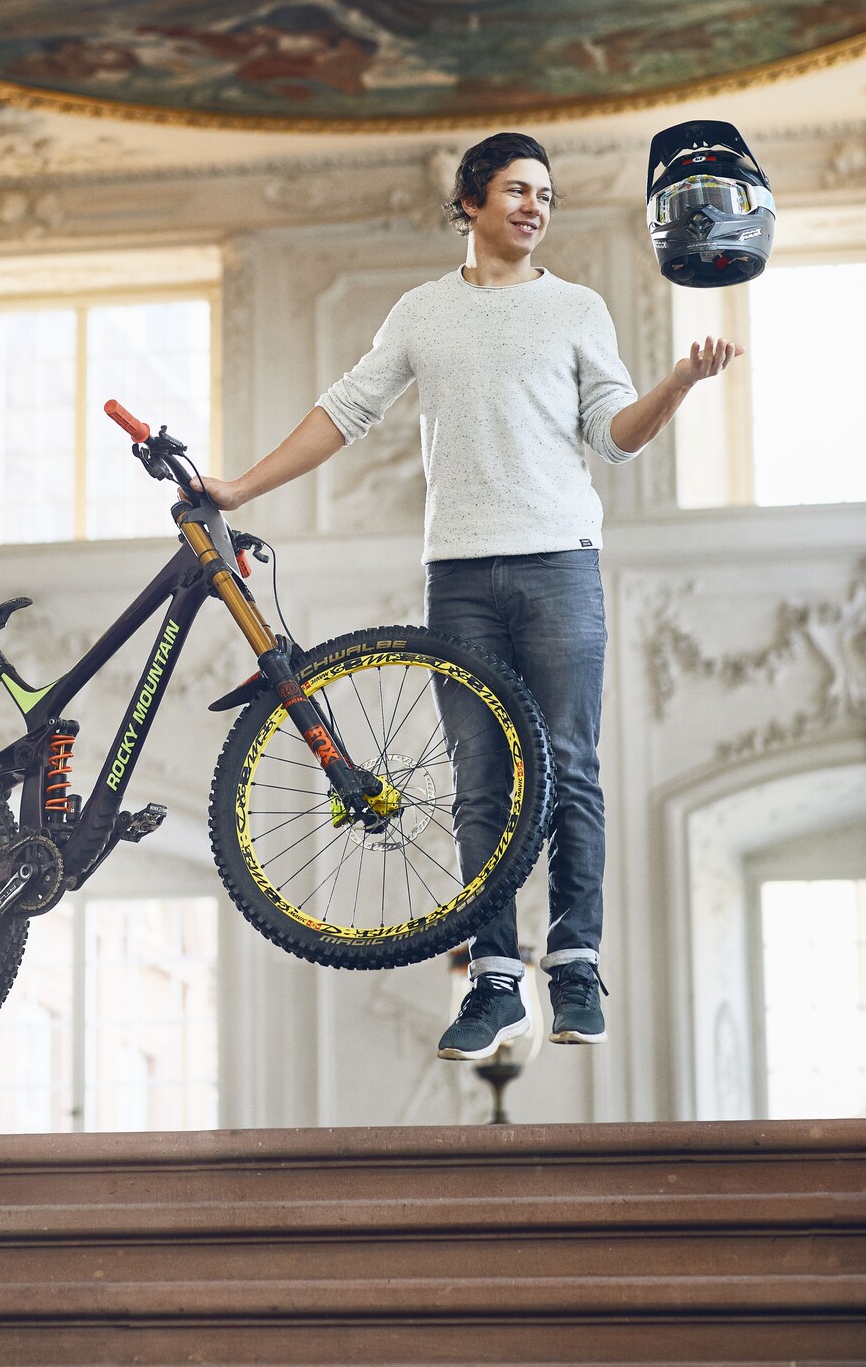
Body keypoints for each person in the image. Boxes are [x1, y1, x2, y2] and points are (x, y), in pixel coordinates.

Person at [193, 132, 742, 1062]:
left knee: (569, 767)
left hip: (559, 564)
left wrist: (681, 382)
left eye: (547, 196)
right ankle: (495, 982)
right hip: (459, 574)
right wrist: (241, 490)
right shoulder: (422, 311)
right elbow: (345, 410)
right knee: (479, 779)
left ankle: (574, 966)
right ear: (471, 202)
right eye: (518, 191)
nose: (535, 207)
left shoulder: (577, 308)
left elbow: (615, 437)